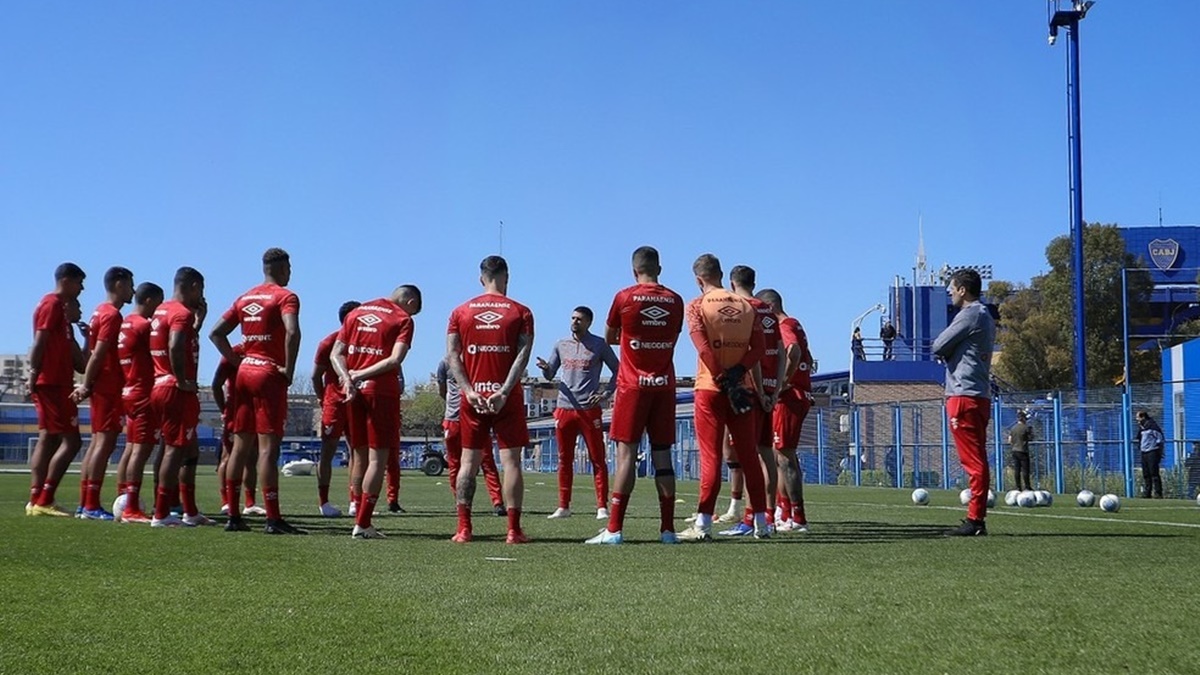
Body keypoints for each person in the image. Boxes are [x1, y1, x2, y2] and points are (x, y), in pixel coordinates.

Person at [586, 246, 684, 545]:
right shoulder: (675, 300)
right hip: (664, 385)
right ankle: (668, 530)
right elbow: (673, 336)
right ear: (660, 269)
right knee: (663, 455)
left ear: (633, 270)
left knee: (625, 454)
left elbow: (609, 337)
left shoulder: (624, 297)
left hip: (632, 386)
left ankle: (614, 529)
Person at [211, 248, 302, 534]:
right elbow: (293, 331)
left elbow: (216, 332)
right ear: (282, 267)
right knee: (267, 449)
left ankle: (234, 515)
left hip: (244, 373)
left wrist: (238, 360)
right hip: (267, 374)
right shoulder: (286, 297)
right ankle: (273, 518)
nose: (291, 273)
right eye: (289, 267)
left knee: (239, 446)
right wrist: (288, 368)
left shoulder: (245, 297)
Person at [676, 254, 767, 542]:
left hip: (710, 388)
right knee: (749, 456)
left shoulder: (696, 305)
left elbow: (702, 347)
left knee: (711, 457)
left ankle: (703, 524)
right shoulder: (746, 304)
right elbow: (759, 348)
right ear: (722, 274)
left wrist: (720, 376)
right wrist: (737, 373)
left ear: (698, 279)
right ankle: (762, 523)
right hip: (741, 388)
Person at [446, 256, 534, 544]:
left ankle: (464, 529)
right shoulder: (521, 312)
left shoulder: (460, 312)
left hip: (472, 399)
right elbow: (523, 357)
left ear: (481, 278)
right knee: (512, 464)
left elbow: (452, 356)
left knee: (468, 463)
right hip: (505, 398)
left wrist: (469, 390)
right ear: (506, 277)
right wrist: (505, 391)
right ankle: (513, 530)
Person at [331, 285, 422, 539]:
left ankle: (357, 510)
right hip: (380, 392)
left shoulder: (356, 313)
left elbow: (336, 353)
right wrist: (361, 374)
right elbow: (395, 360)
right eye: (414, 311)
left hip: (353, 393)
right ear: (410, 301)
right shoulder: (402, 319)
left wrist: (348, 377)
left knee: (358, 455)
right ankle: (363, 522)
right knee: (377, 459)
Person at [712, 265, 779, 536]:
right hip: (770, 390)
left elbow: (752, 353)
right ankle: (769, 517)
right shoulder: (769, 313)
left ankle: (751, 520)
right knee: (765, 455)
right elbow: (781, 352)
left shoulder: (743, 309)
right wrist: (773, 392)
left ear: (731, 282)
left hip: (748, 390)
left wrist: (760, 390)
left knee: (749, 455)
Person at [536, 306, 619, 520]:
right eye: (572, 318)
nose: (575, 322)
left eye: (579, 319)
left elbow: (618, 370)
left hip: (589, 410)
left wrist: (605, 393)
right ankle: (563, 506)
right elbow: (550, 373)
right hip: (564, 408)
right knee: (564, 459)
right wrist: (545, 368)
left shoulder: (599, 344)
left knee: (597, 458)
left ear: (589, 322)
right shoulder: (561, 345)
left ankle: (602, 506)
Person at [931, 268, 995, 536]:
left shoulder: (970, 314)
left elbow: (937, 345)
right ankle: (976, 517)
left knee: (973, 461)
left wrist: (946, 353)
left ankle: (975, 520)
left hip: (963, 396)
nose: (949, 292)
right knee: (977, 457)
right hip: (976, 394)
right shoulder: (985, 315)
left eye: (952, 287)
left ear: (963, 290)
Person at [148, 266, 213, 528]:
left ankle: (190, 510)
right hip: (175, 390)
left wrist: (200, 321)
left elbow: (183, 341)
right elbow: (175, 344)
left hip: (160, 385)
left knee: (189, 449)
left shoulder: (163, 310)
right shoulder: (181, 313)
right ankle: (161, 513)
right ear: (194, 286)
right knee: (174, 450)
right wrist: (182, 379)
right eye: (202, 290)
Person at [27, 263, 87, 517]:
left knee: (50, 438)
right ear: (66, 280)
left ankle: (37, 499)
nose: (82, 289)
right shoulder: (51, 304)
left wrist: (88, 339)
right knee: (71, 441)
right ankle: (43, 498)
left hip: (59, 383)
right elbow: (39, 340)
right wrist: (33, 373)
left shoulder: (64, 318)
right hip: (51, 383)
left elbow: (80, 364)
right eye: (79, 283)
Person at [762, 288, 814, 532]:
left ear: (770, 308)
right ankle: (787, 512)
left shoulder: (783, 325)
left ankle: (798, 518)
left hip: (789, 399)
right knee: (781, 454)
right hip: (797, 396)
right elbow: (808, 357)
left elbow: (793, 350)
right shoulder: (797, 324)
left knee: (784, 455)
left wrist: (783, 382)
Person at [114, 282, 163, 523]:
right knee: (141, 451)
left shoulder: (125, 323)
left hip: (128, 390)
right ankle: (132, 508)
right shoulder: (144, 326)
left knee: (131, 447)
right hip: (143, 393)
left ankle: (123, 500)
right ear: (150, 301)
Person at [436, 356, 505, 514]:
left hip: (476, 417)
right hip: (454, 418)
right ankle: (460, 501)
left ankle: (497, 502)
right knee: (454, 463)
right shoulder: (445, 363)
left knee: (487, 461)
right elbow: (442, 390)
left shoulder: (477, 359)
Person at [311, 301, 361, 517]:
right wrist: (325, 399)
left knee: (357, 452)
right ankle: (324, 502)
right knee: (328, 451)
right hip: (334, 403)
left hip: (358, 402)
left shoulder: (365, 341)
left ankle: (355, 501)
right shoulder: (329, 342)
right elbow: (315, 376)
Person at [212, 343, 261, 516]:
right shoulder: (235, 352)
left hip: (255, 411)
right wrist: (224, 409)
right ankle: (226, 501)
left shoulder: (264, 349)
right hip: (235, 412)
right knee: (228, 455)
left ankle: (250, 503)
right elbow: (216, 383)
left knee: (251, 458)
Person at [1136, 410, 1164, 499]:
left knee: (1154, 473)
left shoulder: (1152, 426)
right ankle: (1147, 493)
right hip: (1144, 452)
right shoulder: (1142, 428)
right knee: (1146, 473)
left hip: (1152, 451)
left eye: (1138, 417)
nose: (1137, 419)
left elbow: (1159, 439)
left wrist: (1158, 451)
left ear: (1143, 417)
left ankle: (1158, 493)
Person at [1008, 411, 1034, 492]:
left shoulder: (1013, 428)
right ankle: (1027, 486)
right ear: (1023, 419)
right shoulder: (1026, 428)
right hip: (1023, 450)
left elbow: (1010, 440)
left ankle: (1018, 487)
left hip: (1014, 450)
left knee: (1017, 469)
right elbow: (1031, 438)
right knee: (1025, 469)